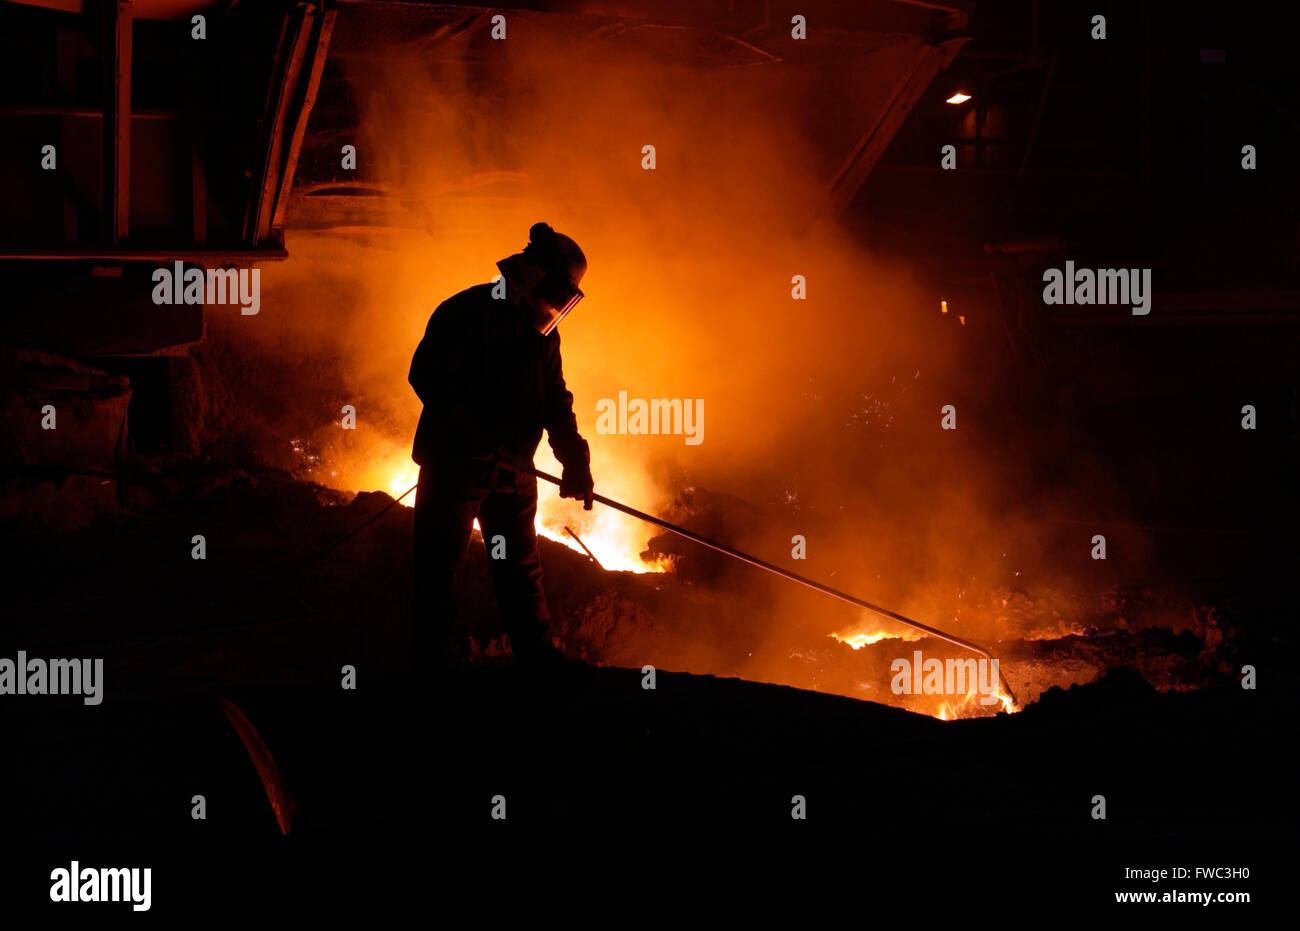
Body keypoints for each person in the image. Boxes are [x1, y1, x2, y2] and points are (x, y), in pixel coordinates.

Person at [408, 222, 594, 669]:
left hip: (513, 473)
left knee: (519, 571)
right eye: (553, 289)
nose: (553, 305)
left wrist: (575, 462)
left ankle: (538, 661)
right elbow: (425, 375)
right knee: (439, 570)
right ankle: (434, 669)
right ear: (531, 275)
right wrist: (468, 432)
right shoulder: (466, 312)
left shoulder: (542, 336)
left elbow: (555, 401)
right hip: (454, 469)